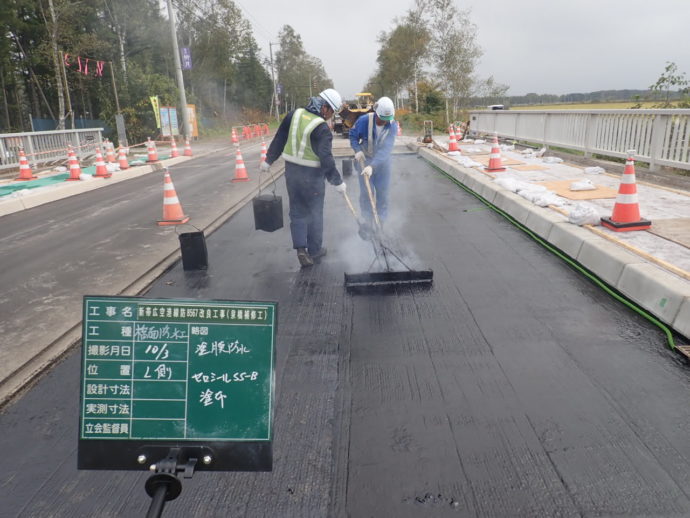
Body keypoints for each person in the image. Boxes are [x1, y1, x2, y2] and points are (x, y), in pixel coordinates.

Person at [261, 88, 347, 268]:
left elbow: (279, 139)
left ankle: (301, 249)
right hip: (313, 177)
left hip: (292, 173)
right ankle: (314, 251)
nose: (331, 116)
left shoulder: (294, 114)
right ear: (324, 107)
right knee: (315, 213)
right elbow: (325, 158)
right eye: (332, 112)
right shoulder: (321, 127)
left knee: (298, 211)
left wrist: (268, 160)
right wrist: (337, 182)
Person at [349, 96, 397, 232]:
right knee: (366, 193)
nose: (384, 122)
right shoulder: (364, 121)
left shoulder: (392, 125)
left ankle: (380, 221)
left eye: (386, 120)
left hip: (382, 164)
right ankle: (368, 220)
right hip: (365, 161)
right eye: (382, 118)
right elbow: (352, 136)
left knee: (383, 192)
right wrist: (357, 151)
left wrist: (373, 166)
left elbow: (386, 149)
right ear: (376, 112)